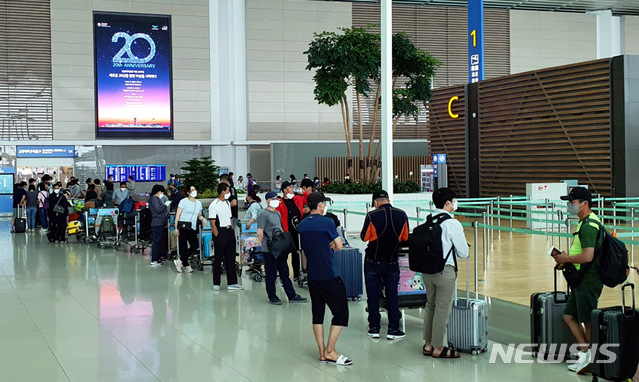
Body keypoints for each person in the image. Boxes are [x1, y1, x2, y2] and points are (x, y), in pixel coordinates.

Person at [552, 187, 604, 375]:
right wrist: (565, 260)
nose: (569, 205)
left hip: (588, 280)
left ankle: (589, 358)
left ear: (584, 203)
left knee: (588, 320)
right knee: (569, 315)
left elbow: (588, 256)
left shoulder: (590, 226)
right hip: (580, 278)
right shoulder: (584, 223)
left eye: (572, 202)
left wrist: (566, 259)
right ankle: (585, 353)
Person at [299, 192, 351, 365]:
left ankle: (321, 352)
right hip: (328, 273)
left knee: (318, 313)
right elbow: (340, 246)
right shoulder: (327, 222)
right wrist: (334, 245)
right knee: (341, 312)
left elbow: (306, 250)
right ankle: (331, 351)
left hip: (313, 275)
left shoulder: (303, 224)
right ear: (321, 205)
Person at [422, 188, 468, 359]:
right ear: (448, 203)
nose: (455, 203)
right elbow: (463, 252)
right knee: (442, 309)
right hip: (445, 271)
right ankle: (439, 347)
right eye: (454, 200)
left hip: (427, 271)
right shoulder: (452, 223)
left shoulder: (428, 219)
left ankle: (428, 344)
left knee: (430, 306)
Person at [360, 190, 409, 340]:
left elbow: (364, 237)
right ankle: (393, 329)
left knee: (373, 295)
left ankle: (374, 327)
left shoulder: (372, 216)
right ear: (387, 199)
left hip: (373, 261)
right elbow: (405, 238)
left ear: (375, 202)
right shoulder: (402, 214)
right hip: (392, 261)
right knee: (392, 295)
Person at [258, 191, 307, 304]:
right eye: (273, 199)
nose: (276, 201)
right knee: (271, 273)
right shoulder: (263, 214)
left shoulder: (277, 213)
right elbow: (260, 232)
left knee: (284, 272)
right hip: (269, 249)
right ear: (267, 201)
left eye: (277, 199)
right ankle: (272, 296)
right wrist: (265, 244)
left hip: (279, 248)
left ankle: (291, 295)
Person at [209, 183, 243, 290]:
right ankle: (216, 283)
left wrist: (232, 230)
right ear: (223, 191)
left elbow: (230, 217)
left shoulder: (227, 203)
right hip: (220, 232)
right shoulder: (214, 205)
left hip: (229, 231)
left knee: (231, 257)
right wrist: (217, 235)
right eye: (228, 191)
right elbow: (212, 223)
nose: (229, 193)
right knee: (218, 258)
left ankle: (232, 282)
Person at [174, 186, 208, 274]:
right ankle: (186, 264)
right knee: (183, 246)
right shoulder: (183, 202)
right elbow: (178, 215)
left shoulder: (198, 203)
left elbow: (199, 215)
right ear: (188, 193)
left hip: (192, 227)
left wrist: (203, 219)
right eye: (192, 190)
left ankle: (180, 260)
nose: (194, 191)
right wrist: (176, 227)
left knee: (195, 245)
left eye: (195, 189)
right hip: (183, 226)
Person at [278, 181, 305, 281]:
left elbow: (308, 199)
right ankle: (283, 276)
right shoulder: (280, 202)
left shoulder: (297, 199)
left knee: (296, 253)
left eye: (293, 186)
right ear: (285, 190)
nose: (292, 188)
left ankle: (297, 274)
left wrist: (303, 193)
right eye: (290, 187)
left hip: (296, 231)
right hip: (286, 231)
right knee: (284, 254)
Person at [149, 185, 168, 267]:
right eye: (162, 192)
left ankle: (157, 257)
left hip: (160, 222)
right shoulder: (154, 199)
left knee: (158, 240)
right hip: (157, 222)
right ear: (158, 191)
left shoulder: (156, 199)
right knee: (156, 241)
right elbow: (158, 210)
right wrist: (165, 205)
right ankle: (154, 259)